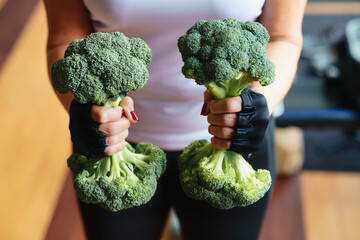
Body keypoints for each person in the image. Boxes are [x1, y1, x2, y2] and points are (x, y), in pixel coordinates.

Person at [44, 0, 306, 239]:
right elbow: (64, 37)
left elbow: (282, 35)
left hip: (233, 147)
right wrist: (86, 110)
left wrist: (251, 106)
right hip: (110, 147)